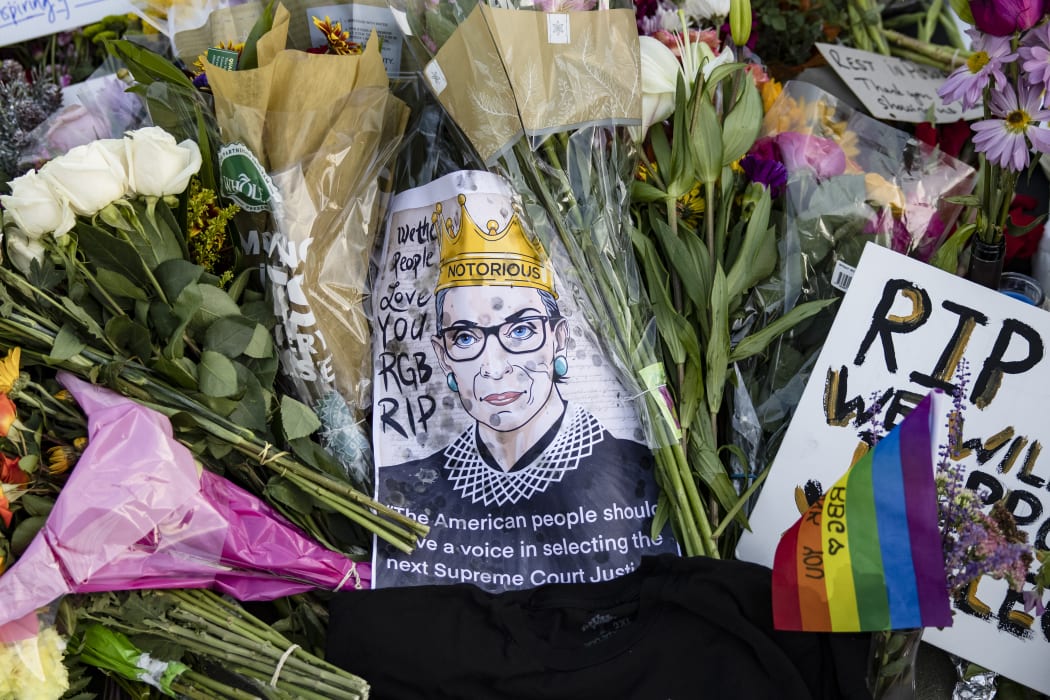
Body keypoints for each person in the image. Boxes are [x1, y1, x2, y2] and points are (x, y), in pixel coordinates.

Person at [374, 191, 677, 591]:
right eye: (464, 337)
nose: (495, 367)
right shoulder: (403, 488)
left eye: (521, 331)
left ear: (559, 338)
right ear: (442, 355)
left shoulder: (645, 475)